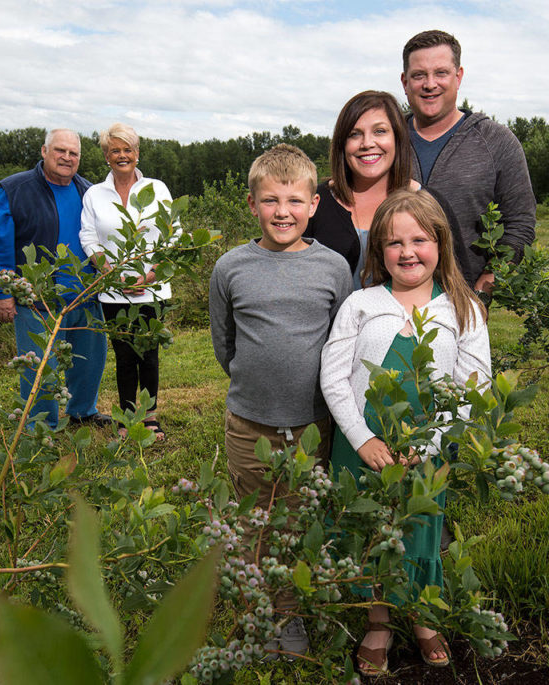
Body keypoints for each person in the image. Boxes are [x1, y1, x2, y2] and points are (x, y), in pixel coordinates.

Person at [320, 189, 491, 676]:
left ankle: (420, 617)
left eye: (420, 239)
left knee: (418, 532)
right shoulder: (360, 304)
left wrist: (430, 444)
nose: (408, 251)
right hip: (362, 447)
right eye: (394, 243)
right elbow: (334, 376)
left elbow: (471, 386)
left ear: (441, 242)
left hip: (425, 449)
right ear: (379, 251)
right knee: (367, 533)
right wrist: (362, 438)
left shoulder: (464, 308)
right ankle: (377, 621)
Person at [209, 143, 351, 660]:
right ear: (252, 204)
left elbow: (341, 344)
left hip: (312, 426)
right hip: (249, 424)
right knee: (255, 521)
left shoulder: (334, 267)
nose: (282, 211)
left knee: (296, 523)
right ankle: (258, 613)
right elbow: (224, 342)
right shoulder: (230, 267)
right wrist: (255, 383)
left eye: (294, 200)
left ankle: (290, 617)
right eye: (270, 200)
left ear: (314, 204)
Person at [0, 129, 111, 429]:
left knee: (88, 360)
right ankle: (41, 426)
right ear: (44, 151)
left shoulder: (87, 191)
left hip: (85, 295)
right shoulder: (15, 189)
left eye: (74, 153)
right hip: (38, 300)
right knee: (39, 366)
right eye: (60, 151)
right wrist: (2, 293)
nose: (67, 158)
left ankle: (83, 411)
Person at [401, 29, 536, 301]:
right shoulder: (385, 141)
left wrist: (482, 291)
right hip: (388, 304)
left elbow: (520, 224)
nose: (430, 84)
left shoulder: (497, 141)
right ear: (405, 82)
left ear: (458, 76)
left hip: (463, 306)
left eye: (441, 73)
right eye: (419, 75)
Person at [304, 90, 459, 293]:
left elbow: (455, 280)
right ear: (342, 144)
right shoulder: (313, 203)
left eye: (379, 131)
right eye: (354, 134)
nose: (367, 143)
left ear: (398, 138)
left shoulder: (430, 204)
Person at [80, 123, 173, 439]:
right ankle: (125, 418)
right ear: (106, 156)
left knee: (148, 353)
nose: (122, 155)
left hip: (153, 289)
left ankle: (150, 418)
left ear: (137, 153)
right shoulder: (94, 194)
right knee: (123, 354)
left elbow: (171, 234)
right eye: (115, 150)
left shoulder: (157, 189)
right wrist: (108, 273)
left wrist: (151, 274)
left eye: (127, 149)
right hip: (113, 291)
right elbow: (88, 236)